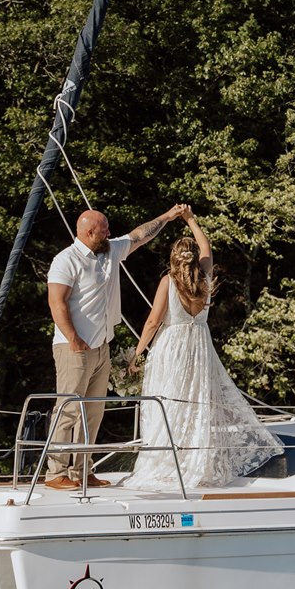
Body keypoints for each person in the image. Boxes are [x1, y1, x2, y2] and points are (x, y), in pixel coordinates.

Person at [129, 205, 280, 490]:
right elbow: (206, 248)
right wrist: (190, 220)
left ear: (173, 258)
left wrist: (137, 354)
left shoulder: (168, 282)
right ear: (194, 258)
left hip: (173, 348)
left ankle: (168, 463)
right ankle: (192, 460)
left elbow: (152, 322)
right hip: (199, 346)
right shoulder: (205, 278)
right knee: (196, 404)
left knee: (170, 401)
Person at [45, 201, 186, 489]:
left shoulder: (110, 252)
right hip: (73, 347)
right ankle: (55, 472)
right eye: (104, 230)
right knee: (69, 409)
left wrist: (169, 216)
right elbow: (56, 302)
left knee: (94, 411)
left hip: (102, 346)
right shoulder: (66, 260)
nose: (109, 234)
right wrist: (73, 338)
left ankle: (82, 471)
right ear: (88, 232)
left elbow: (140, 235)